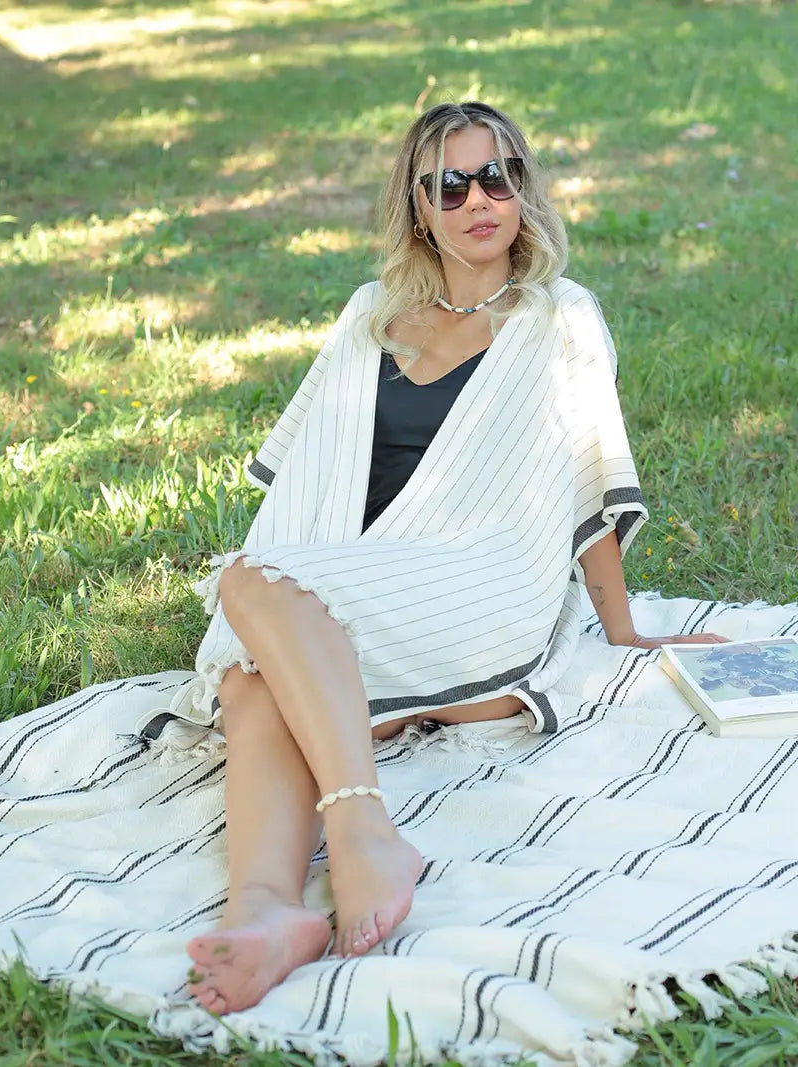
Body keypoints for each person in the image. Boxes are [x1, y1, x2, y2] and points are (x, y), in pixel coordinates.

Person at [184, 101, 725, 1016]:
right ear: (419, 204)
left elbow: (587, 485)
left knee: (249, 591)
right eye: (453, 182)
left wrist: (621, 625)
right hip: (346, 577)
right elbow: (309, 476)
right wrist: (307, 584)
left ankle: (360, 827)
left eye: (500, 177)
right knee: (252, 672)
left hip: (474, 586)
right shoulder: (371, 315)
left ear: (523, 191)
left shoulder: (560, 318)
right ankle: (269, 912)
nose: (481, 199)